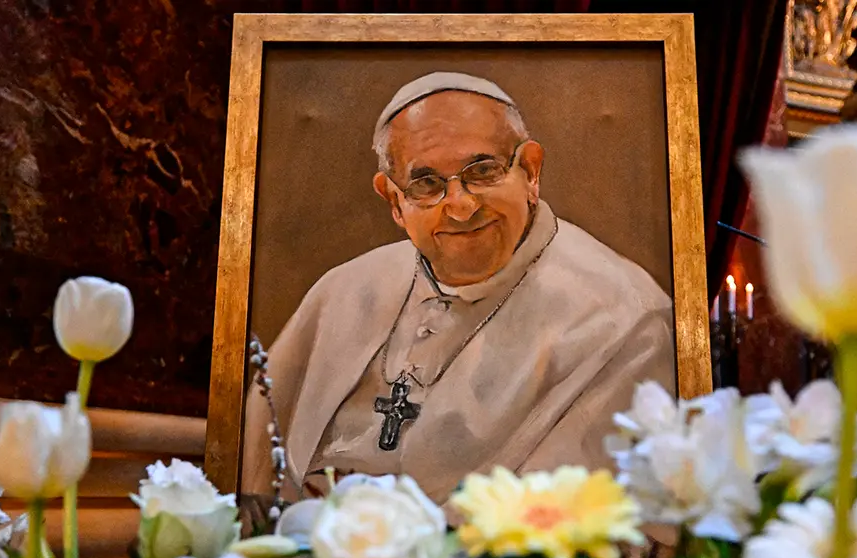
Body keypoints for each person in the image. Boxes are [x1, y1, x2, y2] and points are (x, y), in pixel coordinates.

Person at [242, 71, 675, 508]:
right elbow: (257, 478)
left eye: (483, 171)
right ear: (394, 201)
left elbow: (573, 529)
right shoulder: (342, 292)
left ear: (530, 171)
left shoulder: (625, 318)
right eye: (426, 183)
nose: (462, 206)